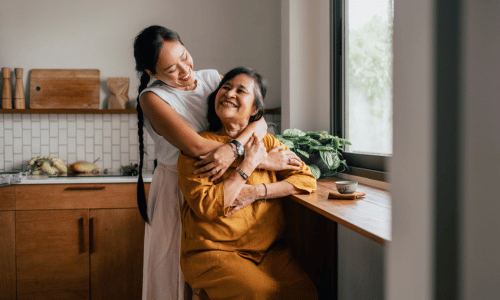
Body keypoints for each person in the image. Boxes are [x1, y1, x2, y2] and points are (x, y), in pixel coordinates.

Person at [133, 26, 303, 300]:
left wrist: (235, 149)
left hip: (226, 182)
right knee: (175, 276)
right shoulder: (152, 98)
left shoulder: (213, 78)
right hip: (180, 188)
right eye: (171, 69)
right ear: (152, 74)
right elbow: (196, 147)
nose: (185, 70)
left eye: (184, 57)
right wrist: (261, 160)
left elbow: (258, 119)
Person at [178, 67, 319, 299]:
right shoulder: (198, 146)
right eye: (225, 87)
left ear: (255, 108)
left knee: (305, 293)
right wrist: (248, 164)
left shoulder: (267, 142)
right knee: (259, 294)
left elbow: (306, 179)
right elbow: (207, 206)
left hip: (268, 252)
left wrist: (256, 192)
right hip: (213, 252)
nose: (229, 93)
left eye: (240, 90)